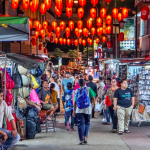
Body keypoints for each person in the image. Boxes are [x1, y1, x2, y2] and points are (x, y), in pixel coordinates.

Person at [73, 79, 96, 145]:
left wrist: (74, 110)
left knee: (80, 124)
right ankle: (85, 137)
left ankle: (81, 140)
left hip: (79, 109)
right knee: (87, 122)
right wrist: (92, 104)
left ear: (78, 84)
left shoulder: (77, 90)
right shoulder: (88, 89)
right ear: (85, 83)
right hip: (87, 108)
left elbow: (75, 101)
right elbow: (93, 97)